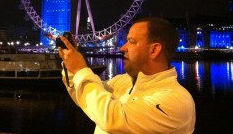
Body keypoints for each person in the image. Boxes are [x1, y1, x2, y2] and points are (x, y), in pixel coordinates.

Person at [58, 17, 196, 133]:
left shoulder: (177, 101)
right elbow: (85, 96)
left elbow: (112, 119)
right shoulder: (122, 81)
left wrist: (81, 70)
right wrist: (70, 66)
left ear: (154, 50)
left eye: (131, 42)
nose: (123, 48)